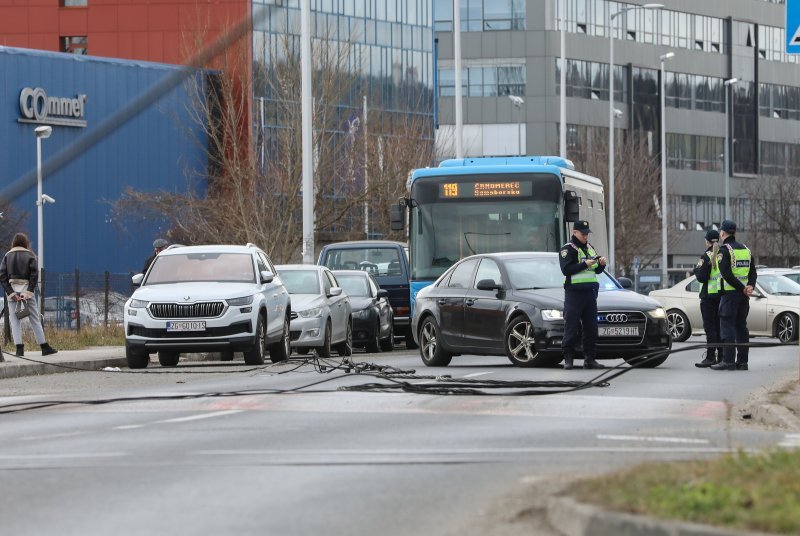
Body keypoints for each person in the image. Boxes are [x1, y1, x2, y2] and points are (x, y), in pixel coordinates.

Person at [559, 220, 607, 370]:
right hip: (574, 294)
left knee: (591, 328)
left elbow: (595, 271)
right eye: (583, 233)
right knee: (571, 327)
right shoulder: (568, 249)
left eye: (587, 233)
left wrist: (601, 265)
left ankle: (590, 359)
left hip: (590, 293)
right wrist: (584, 264)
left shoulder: (589, 248)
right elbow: (566, 269)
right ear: (575, 232)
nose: (586, 236)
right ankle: (568, 359)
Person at [0, 233, 57, 357]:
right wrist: (28, 292)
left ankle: (19, 349)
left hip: (12, 293)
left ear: (14, 243)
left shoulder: (7, 256)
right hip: (26, 292)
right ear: (25, 243)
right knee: (34, 319)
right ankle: (44, 347)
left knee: (15, 321)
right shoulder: (30, 255)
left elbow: (2, 276)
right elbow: (34, 275)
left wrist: (11, 293)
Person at [711, 220, 756, 371]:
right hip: (743, 298)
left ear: (723, 233)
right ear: (734, 232)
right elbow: (753, 273)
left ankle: (728, 361)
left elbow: (727, 275)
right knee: (741, 327)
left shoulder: (724, 251)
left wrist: (743, 288)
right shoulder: (746, 250)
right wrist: (749, 286)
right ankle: (743, 362)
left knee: (727, 328)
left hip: (730, 296)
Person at [693, 229, 723, 367]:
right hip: (721, 296)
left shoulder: (706, 256)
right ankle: (722, 357)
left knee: (710, 328)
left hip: (708, 297)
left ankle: (710, 357)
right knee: (719, 327)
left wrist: (696, 270)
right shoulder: (722, 254)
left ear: (708, 241)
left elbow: (702, 277)